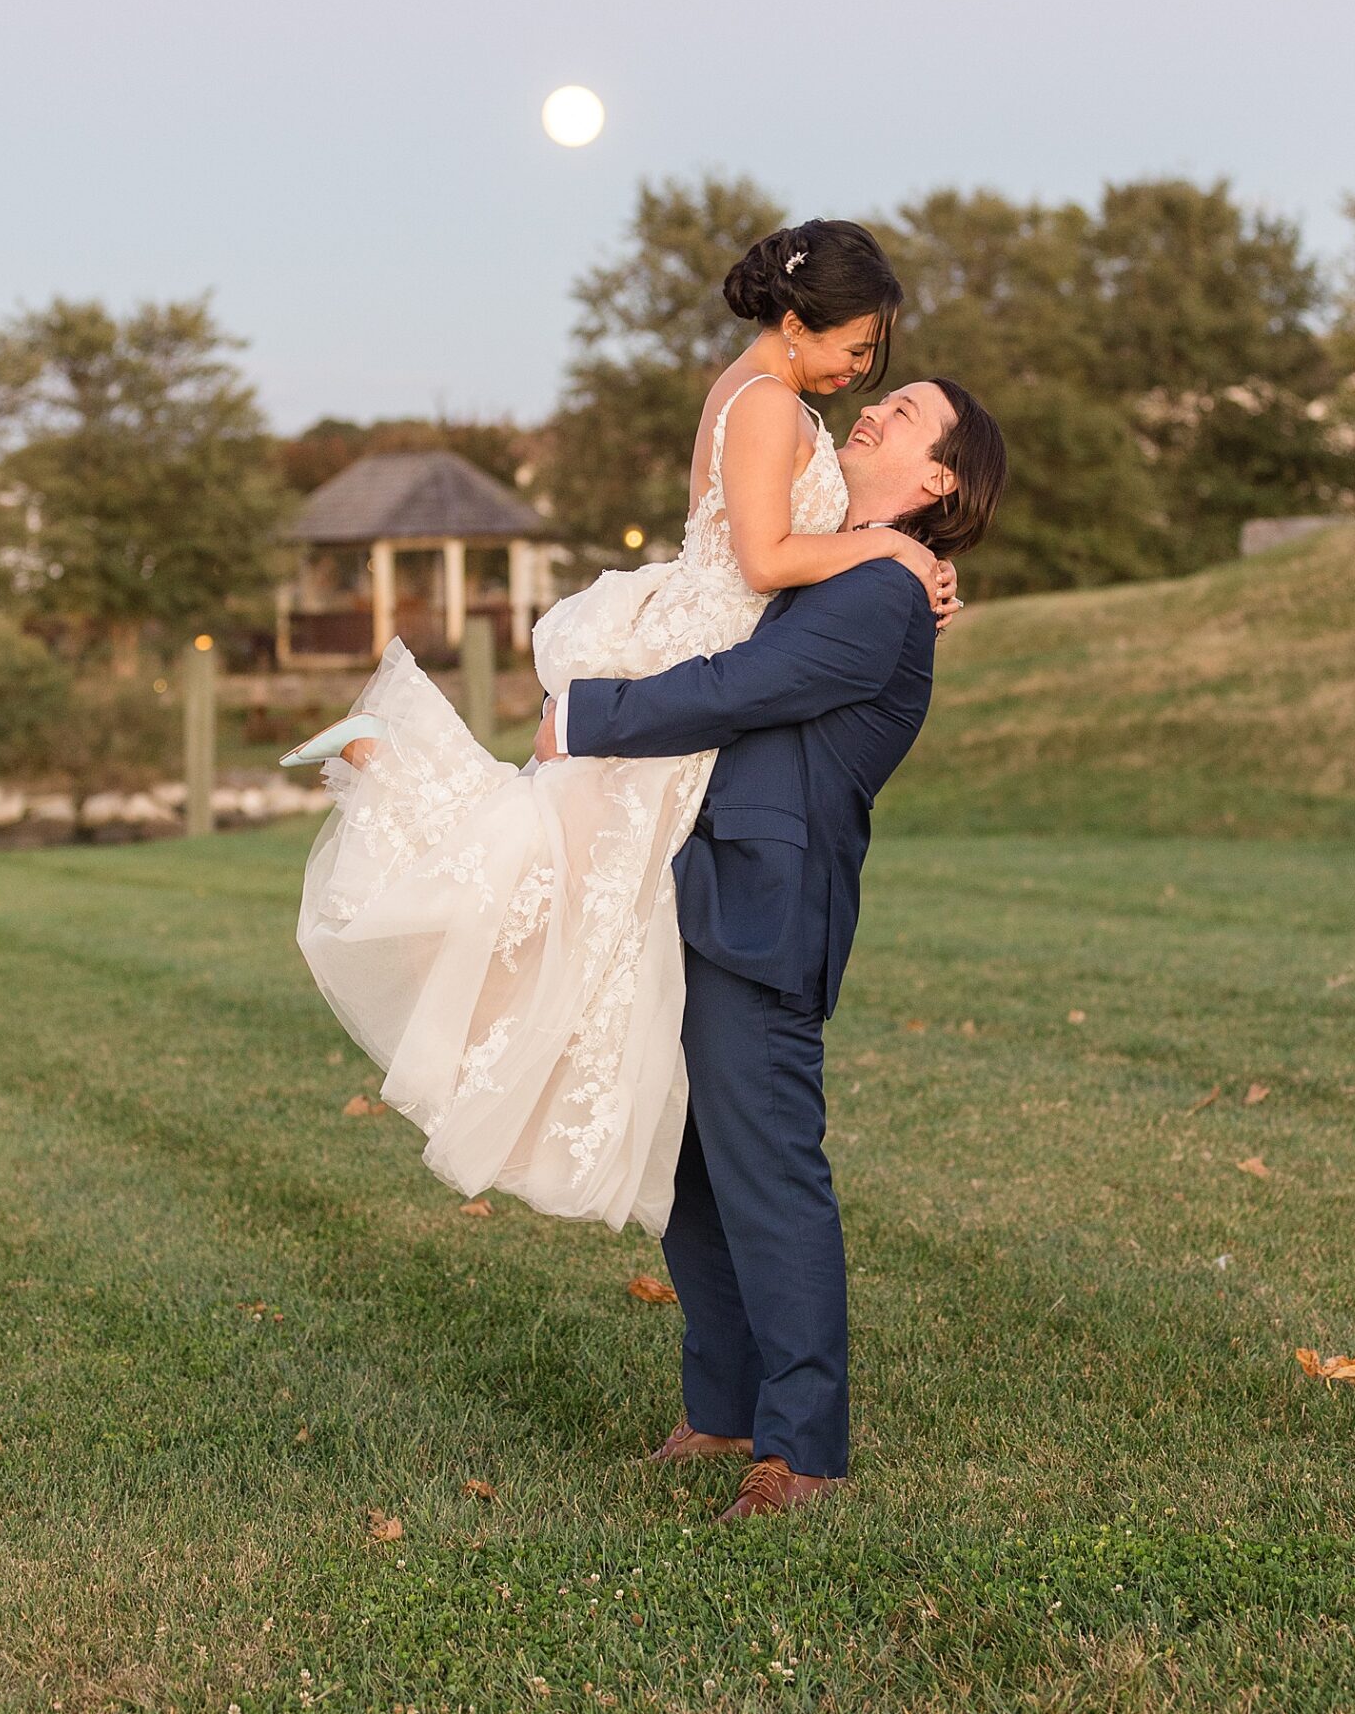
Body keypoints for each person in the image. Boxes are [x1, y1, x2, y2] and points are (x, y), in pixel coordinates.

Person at [287, 217, 960, 1233]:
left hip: (692, 639)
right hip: (698, 654)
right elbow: (768, 560)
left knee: (573, 868)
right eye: (859, 347)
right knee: (560, 865)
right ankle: (397, 762)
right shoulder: (771, 403)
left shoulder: (745, 389)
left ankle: (397, 764)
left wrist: (890, 551)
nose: (862, 372)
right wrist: (892, 554)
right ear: (797, 318)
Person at [534, 373, 1007, 1517]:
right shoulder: (846, 564)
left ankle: (805, 1447)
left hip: (766, 904)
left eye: (900, 416)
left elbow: (750, 686)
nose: (872, 415)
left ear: (940, 479)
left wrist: (585, 717)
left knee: (771, 1172)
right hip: (690, 888)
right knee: (693, 1169)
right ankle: (720, 1411)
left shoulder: (880, 597)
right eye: (874, 398)